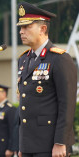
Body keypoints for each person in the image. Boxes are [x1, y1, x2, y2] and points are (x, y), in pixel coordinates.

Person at [17, 2, 77, 157]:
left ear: (43, 29)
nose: (21, 31)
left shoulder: (59, 59)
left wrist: (60, 142)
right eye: (20, 27)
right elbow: (26, 105)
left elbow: (67, 104)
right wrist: (22, 145)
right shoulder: (23, 59)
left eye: (26, 27)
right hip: (28, 145)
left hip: (50, 144)